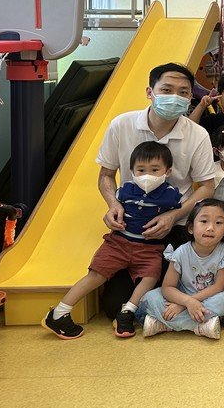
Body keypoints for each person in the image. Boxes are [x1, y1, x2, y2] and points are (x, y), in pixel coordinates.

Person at [95, 62, 215, 320]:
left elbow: (207, 186)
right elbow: (105, 175)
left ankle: (171, 307)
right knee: (114, 306)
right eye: (167, 90)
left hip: (176, 224)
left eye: (183, 92)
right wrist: (113, 204)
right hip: (131, 226)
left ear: (190, 98)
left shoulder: (198, 135)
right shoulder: (121, 125)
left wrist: (173, 216)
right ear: (150, 92)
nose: (175, 97)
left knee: (176, 286)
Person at [43, 141, 182, 339]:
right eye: (141, 170)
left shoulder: (171, 195)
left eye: (154, 170)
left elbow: (180, 210)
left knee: (151, 277)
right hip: (118, 244)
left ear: (167, 172)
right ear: (132, 171)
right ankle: (59, 313)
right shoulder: (125, 190)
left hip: (149, 248)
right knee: (97, 274)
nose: (147, 175)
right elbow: (114, 206)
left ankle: (127, 311)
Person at [139, 199, 224, 339]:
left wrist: (186, 304)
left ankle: (165, 325)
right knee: (151, 297)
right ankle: (200, 326)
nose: (210, 228)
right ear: (191, 227)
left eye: (218, 223)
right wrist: (187, 302)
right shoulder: (180, 252)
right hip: (183, 296)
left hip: (210, 297)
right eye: (204, 221)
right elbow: (167, 287)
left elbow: (219, 286)